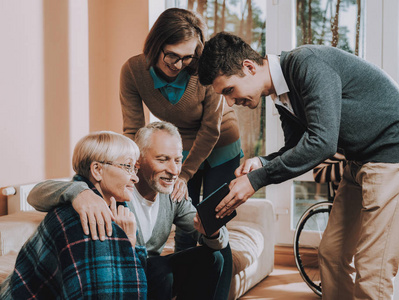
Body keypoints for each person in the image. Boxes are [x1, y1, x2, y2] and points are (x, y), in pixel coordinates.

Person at [198, 31, 399, 300]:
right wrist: (261, 163)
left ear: (249, 67)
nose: (229, 102)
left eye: (229, 90)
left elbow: (322, 143)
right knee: (332, 253)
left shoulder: (306, 64)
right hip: (361, 159)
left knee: (372, 270)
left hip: (395, 154)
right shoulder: (280, 94)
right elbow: (297, 147)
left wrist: (256, 180)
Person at [27, 122, 232, 300]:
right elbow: (35, 194)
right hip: (129, 270)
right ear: (138, 160)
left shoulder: (173, 194)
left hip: (149, 269)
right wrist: (79, 192)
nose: (174, 170)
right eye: (162, 159)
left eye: (177, 160)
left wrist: (211, 230)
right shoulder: (114, 188)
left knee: (213, 258)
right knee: (161, 271)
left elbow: (220, 240)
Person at [120, 7, 241, 252]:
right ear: (155, 45)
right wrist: (129, 172)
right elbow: (133, 130)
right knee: (184, 218)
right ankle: (186, 283)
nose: (179, 65)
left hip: (220, 141)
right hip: (181, 145)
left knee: (212, 218)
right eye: (173, 56)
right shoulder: (133, 72)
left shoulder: (202, 71)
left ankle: (217, 284)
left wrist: (184, 175)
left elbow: (210, 130)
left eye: (188, 57)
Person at [0, 131, 147, 299]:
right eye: (128, 166)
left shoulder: (121, 211)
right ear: (97, 170)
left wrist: (129, 241)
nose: (135, 178)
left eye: (135, 168)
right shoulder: (80, 219)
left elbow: (135, 274)